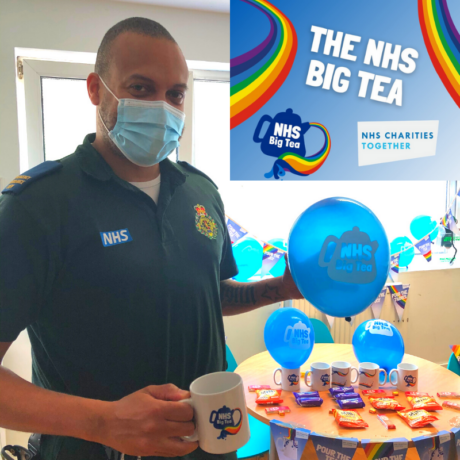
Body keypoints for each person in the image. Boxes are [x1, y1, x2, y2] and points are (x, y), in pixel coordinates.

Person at [0, 17, 303, 460]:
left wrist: (280, 289)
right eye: (141, 88)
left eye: (175, 94)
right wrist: (104, 422)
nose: (162, 107)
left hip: (207, 445)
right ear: (96, 90)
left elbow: (207, 296)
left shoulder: (201, 193)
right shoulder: (38, 206)